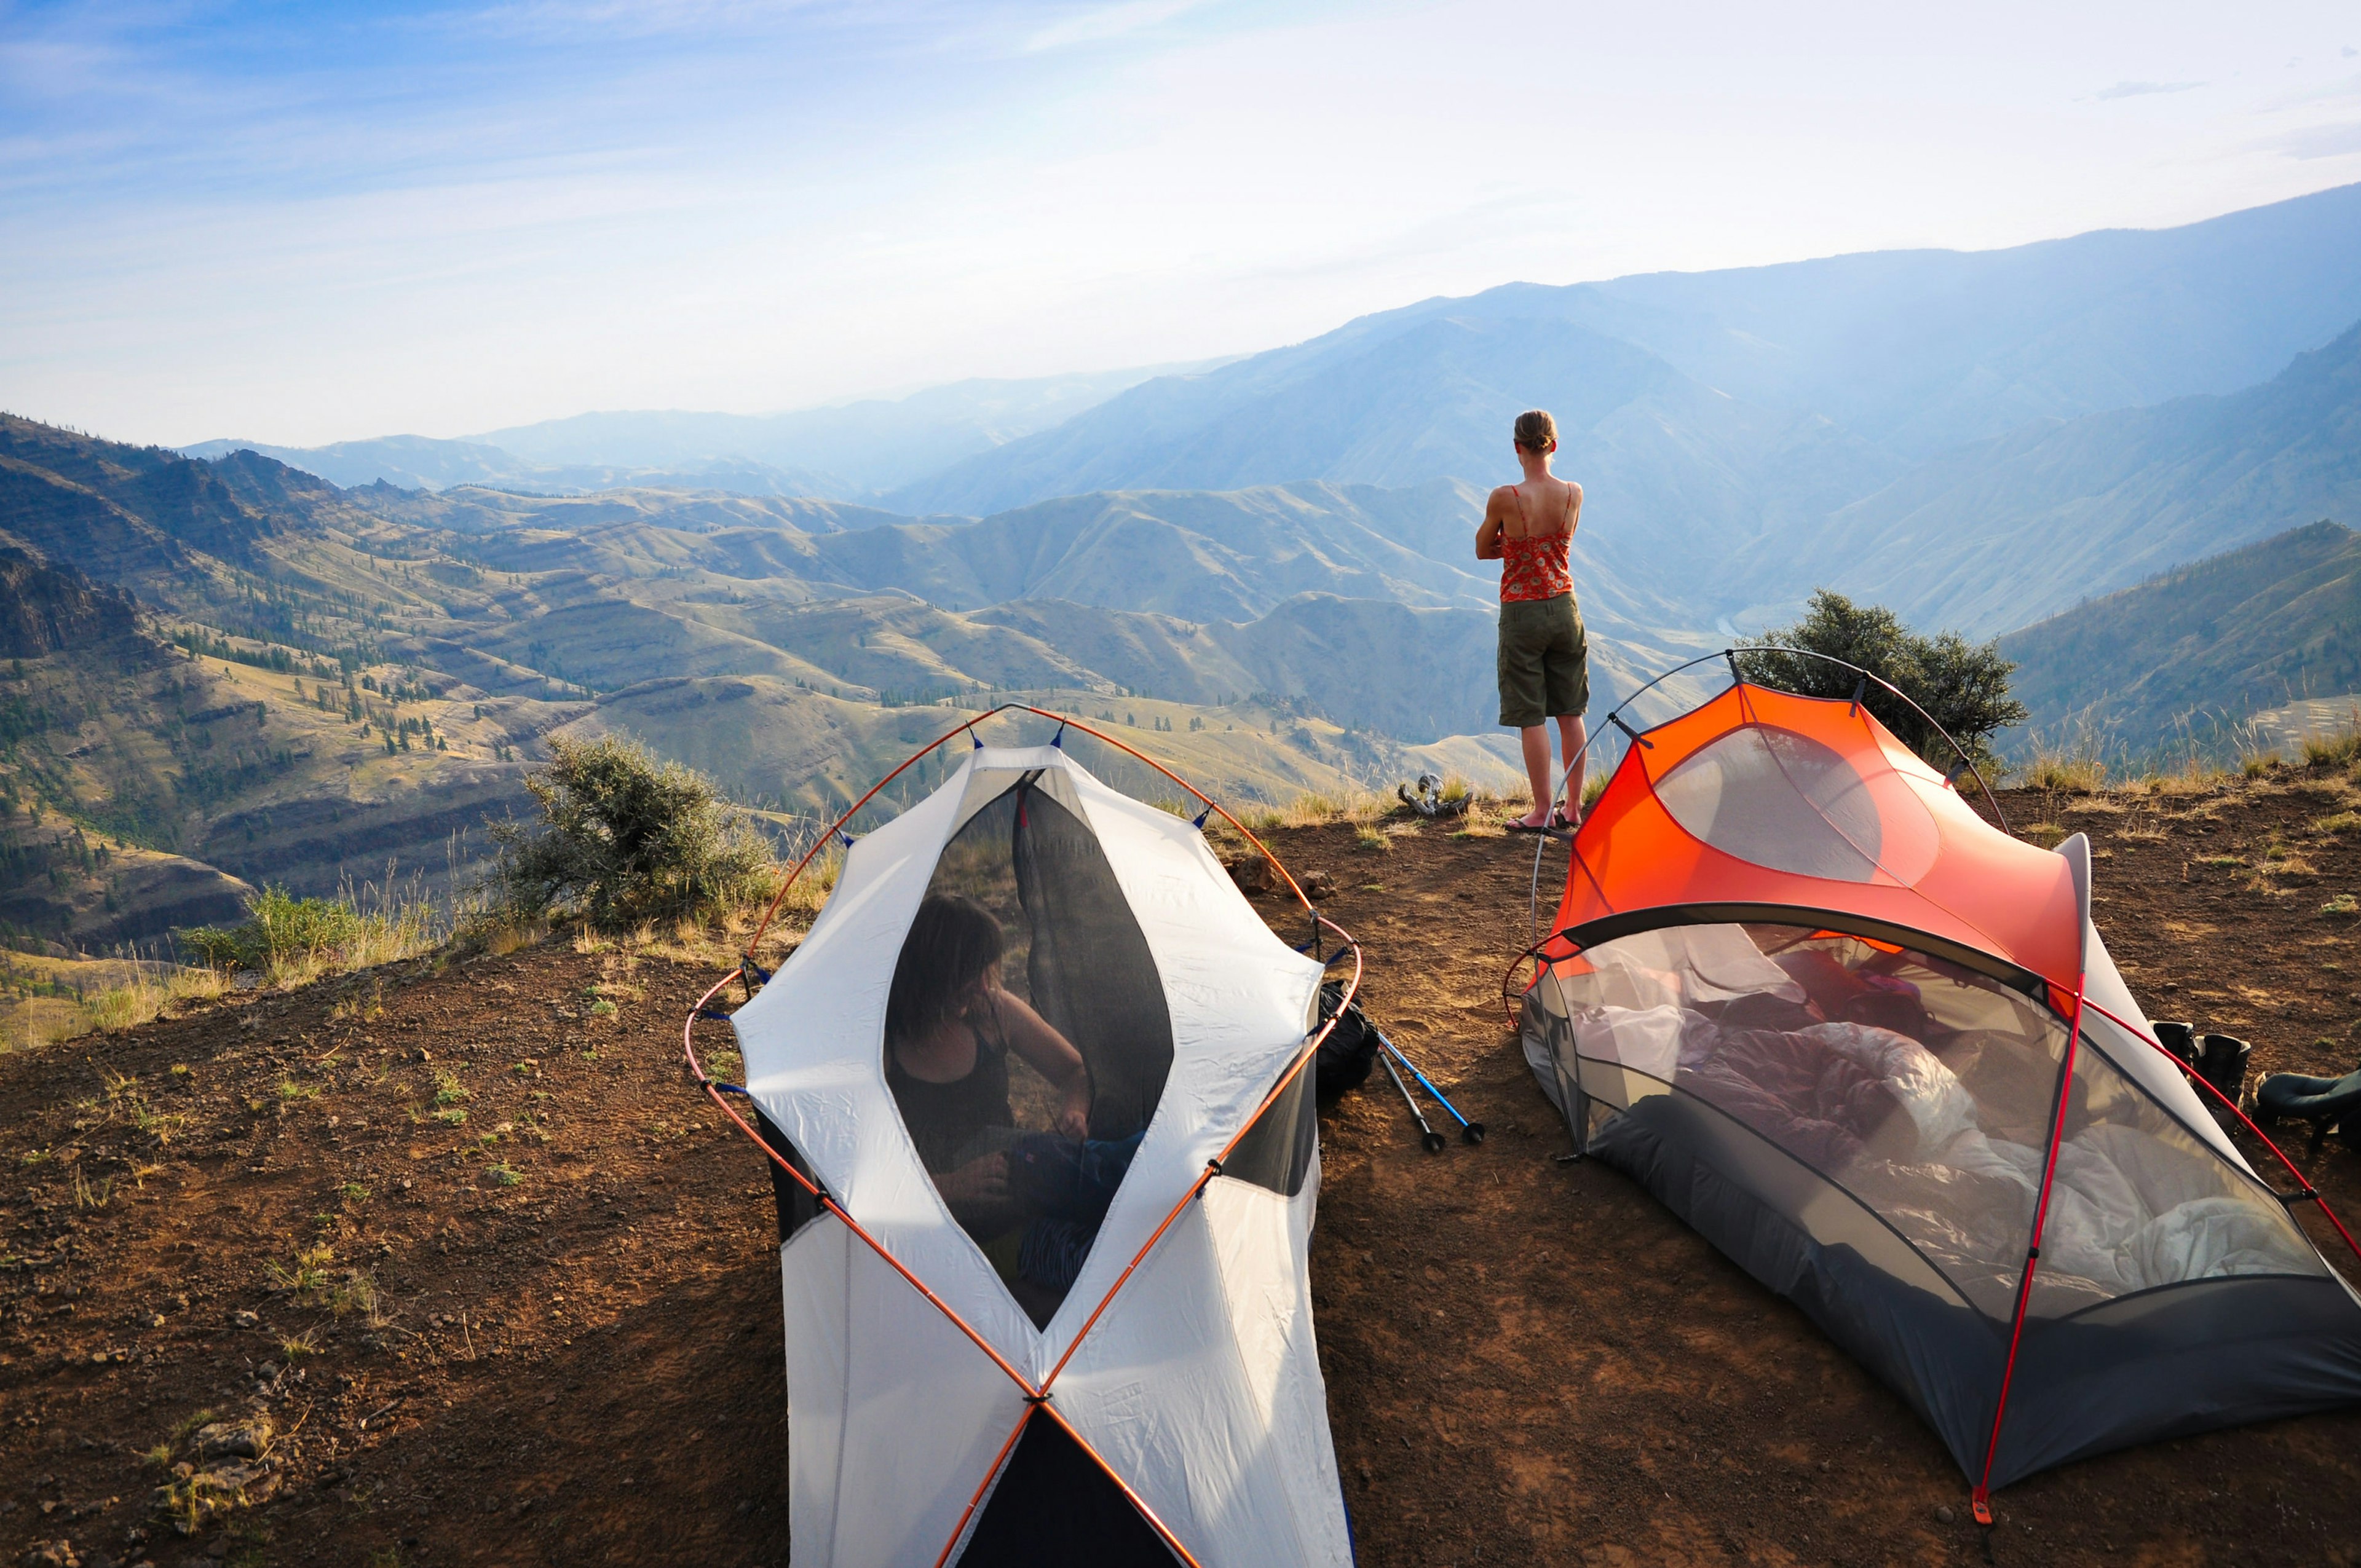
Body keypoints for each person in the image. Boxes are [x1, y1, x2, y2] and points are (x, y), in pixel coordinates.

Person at [883, 894, 1093, 1221]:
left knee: (1096, 1172)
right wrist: (949, 1187)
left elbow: (1074, 1071)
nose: (982, 986)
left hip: (1017, 1174)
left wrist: (1075, 1112)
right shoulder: (885, 1047)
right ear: (930, 975)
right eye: (969, 974)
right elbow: (858, 1168)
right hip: (931, 1217)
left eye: (985, 971)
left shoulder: (993, 1012)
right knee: (1097, 1175)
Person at [1474, 408, 1590, 832]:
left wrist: (1515, 545)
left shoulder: (1506, 498)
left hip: (1523, 612)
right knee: (1571, 712)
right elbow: (1562, 542)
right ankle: (1574, 808)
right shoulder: (1574, 493)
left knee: (1531, 715)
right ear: (1554, 446)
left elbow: (1483, 548)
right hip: (1564, 606)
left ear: (1517, 448)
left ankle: (1542, 811)